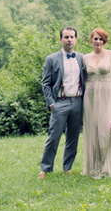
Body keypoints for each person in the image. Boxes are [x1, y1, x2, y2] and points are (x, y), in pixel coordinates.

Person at [38, 26, 86, 179]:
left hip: (78, 102)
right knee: (54, 137)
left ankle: (67, 167)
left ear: (76, 39)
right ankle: (45, 169)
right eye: (66, 37)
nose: (69, 40)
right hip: (60, 102)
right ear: (60, 39)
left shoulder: (81, 58)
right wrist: (51, 103)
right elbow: (45, 83)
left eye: (72, 37)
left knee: (73, 137)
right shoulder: (52, 59)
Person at [81, 28, 111, 178]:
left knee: (106, 130)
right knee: (93, 128)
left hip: (107, 94)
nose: (98, 41)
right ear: (91, 40)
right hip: (91, 95)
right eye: (95, 38)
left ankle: (107, 167)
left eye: (101, 39)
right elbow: (84, 79)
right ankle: (94, 167)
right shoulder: (86, 58)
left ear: (104, 41)